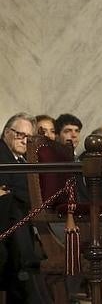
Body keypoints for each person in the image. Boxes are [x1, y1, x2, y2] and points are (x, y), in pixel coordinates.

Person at [0, 113, 47, 302]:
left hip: (17, 217)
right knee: (14, 208)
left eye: (28, 137)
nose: (24, 140)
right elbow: (8, 184)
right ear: (6, 132)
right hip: (6, 216)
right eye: (20, 134)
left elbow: (20, 187)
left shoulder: (22, 160)